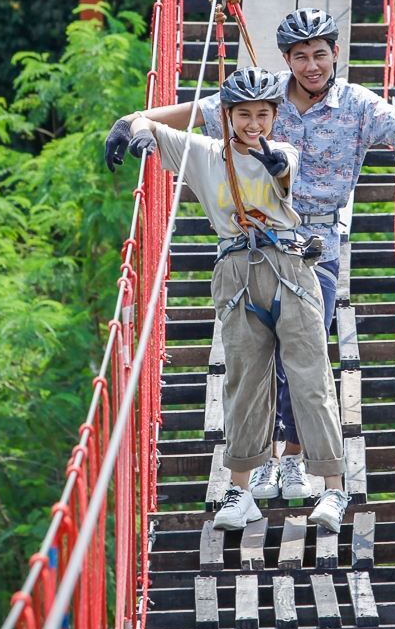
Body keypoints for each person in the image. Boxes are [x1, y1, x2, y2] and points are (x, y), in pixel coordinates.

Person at [105, 8, 395, 503]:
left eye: (320, 54)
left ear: (336, 53)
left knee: (306, 353)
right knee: (255, 359)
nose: (312, 65)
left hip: (316, 242)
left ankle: (294, 457)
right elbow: (200, 113)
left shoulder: (356, 104)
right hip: (252, 243)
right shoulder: (263, 97)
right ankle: (259, 466)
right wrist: (133, 120)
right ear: (287, 59)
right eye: (301, 56)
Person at [113, 66, 351, 533]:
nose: (254, 124)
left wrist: (276, 167)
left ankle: (334, 490)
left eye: (263, 114)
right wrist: (131, 132)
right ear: (226, 115)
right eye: (244, 114)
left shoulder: (282, 151)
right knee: (243, 383)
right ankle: (240, 492)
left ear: (274, 116)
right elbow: (142, 120)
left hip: (290, 269)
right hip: (236, 271)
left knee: (310, 377)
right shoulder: (201, 153)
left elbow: (283, 174)